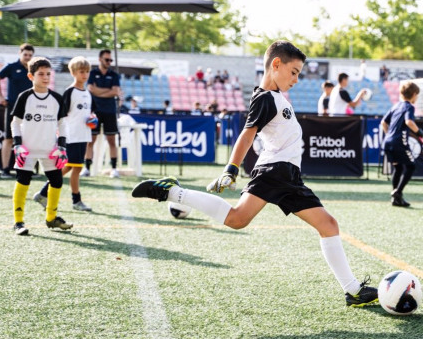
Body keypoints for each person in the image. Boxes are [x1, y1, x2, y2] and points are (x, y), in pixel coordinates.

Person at [131, 40, 378, 307]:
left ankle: (352, 291)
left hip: (287, 174)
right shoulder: (265, 97)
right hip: (276, 170)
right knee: (243, 220)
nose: (296, 79)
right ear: (276, 65)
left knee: (318, 225)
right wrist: (231, 168)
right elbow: (247, 135)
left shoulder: (275, 96)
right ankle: (172, 191)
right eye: (294, 72)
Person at [9, 56, 73, 235]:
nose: (45, 77)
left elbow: (62, 124)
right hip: (26, 150)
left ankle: (51, 218)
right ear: (31, 76)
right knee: (23, 181)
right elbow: (15, 123)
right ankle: (18, 222)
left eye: (48, 74)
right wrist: (18, 145)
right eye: (41, 74)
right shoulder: (24, 97)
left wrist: (62, 146)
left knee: (57, 181)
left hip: (50, 150)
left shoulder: (57, 99)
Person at [33, 56, 96, 212]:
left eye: (87, 71)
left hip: (83, 136)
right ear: (73, 72)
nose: (85, 74)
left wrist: (93, 118)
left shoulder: (87, 93)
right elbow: (61, 113)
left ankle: (43, 194)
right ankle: (75, 200)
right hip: (72, 136)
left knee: (72, 168)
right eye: (82, 71)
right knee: (73, 168)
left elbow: (88, 113)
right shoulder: (70, 92)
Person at [381, 81, 423, 207]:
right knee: (411, 166)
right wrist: (421, 134)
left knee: (398, 168)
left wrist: (389, 135)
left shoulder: (395, 106)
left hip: (388, 142)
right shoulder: (409, 107)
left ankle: (396, 199)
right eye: (417, 95)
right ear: (413, 94)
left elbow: (383, 123)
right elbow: (409, 122)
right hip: (399, 142)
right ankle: (398, 192)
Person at [0, 43, 35, 178]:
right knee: (9, 138)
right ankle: (5, 169)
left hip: (30, 107)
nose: (28, 57)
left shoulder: (34, 70)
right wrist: (0, 96)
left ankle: (27, 169)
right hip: (13, 107)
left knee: (29, 139)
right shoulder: (11, 67)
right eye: (25, 54)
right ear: (20, 54)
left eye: (30, 55)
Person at [84, 49, 121, 178]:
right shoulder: (92, 73)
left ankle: (114, 168)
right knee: (90, 140)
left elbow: (115, 91)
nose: (109, 62)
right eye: (107, 59)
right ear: (100, 59)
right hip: (95, 111)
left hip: (110, 111)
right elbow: (91, 89)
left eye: (111, 60)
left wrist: (99, 91)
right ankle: (87, 168)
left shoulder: (114, 75)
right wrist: (108, 91)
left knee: (111, 140)